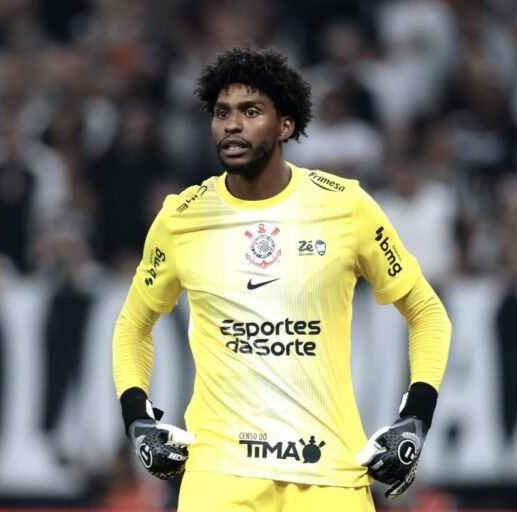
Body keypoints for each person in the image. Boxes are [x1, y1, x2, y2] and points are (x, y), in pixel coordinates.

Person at [112, 44, 451, 511]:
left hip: (328, 473)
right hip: (220, 475)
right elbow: (133, 325)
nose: (232, 124)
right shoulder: (181, 218)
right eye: (222, 113)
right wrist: (137, 418)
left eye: (251, 112)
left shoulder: (346, 206)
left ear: (286, 125)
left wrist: (415, 417)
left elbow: (427, 312)